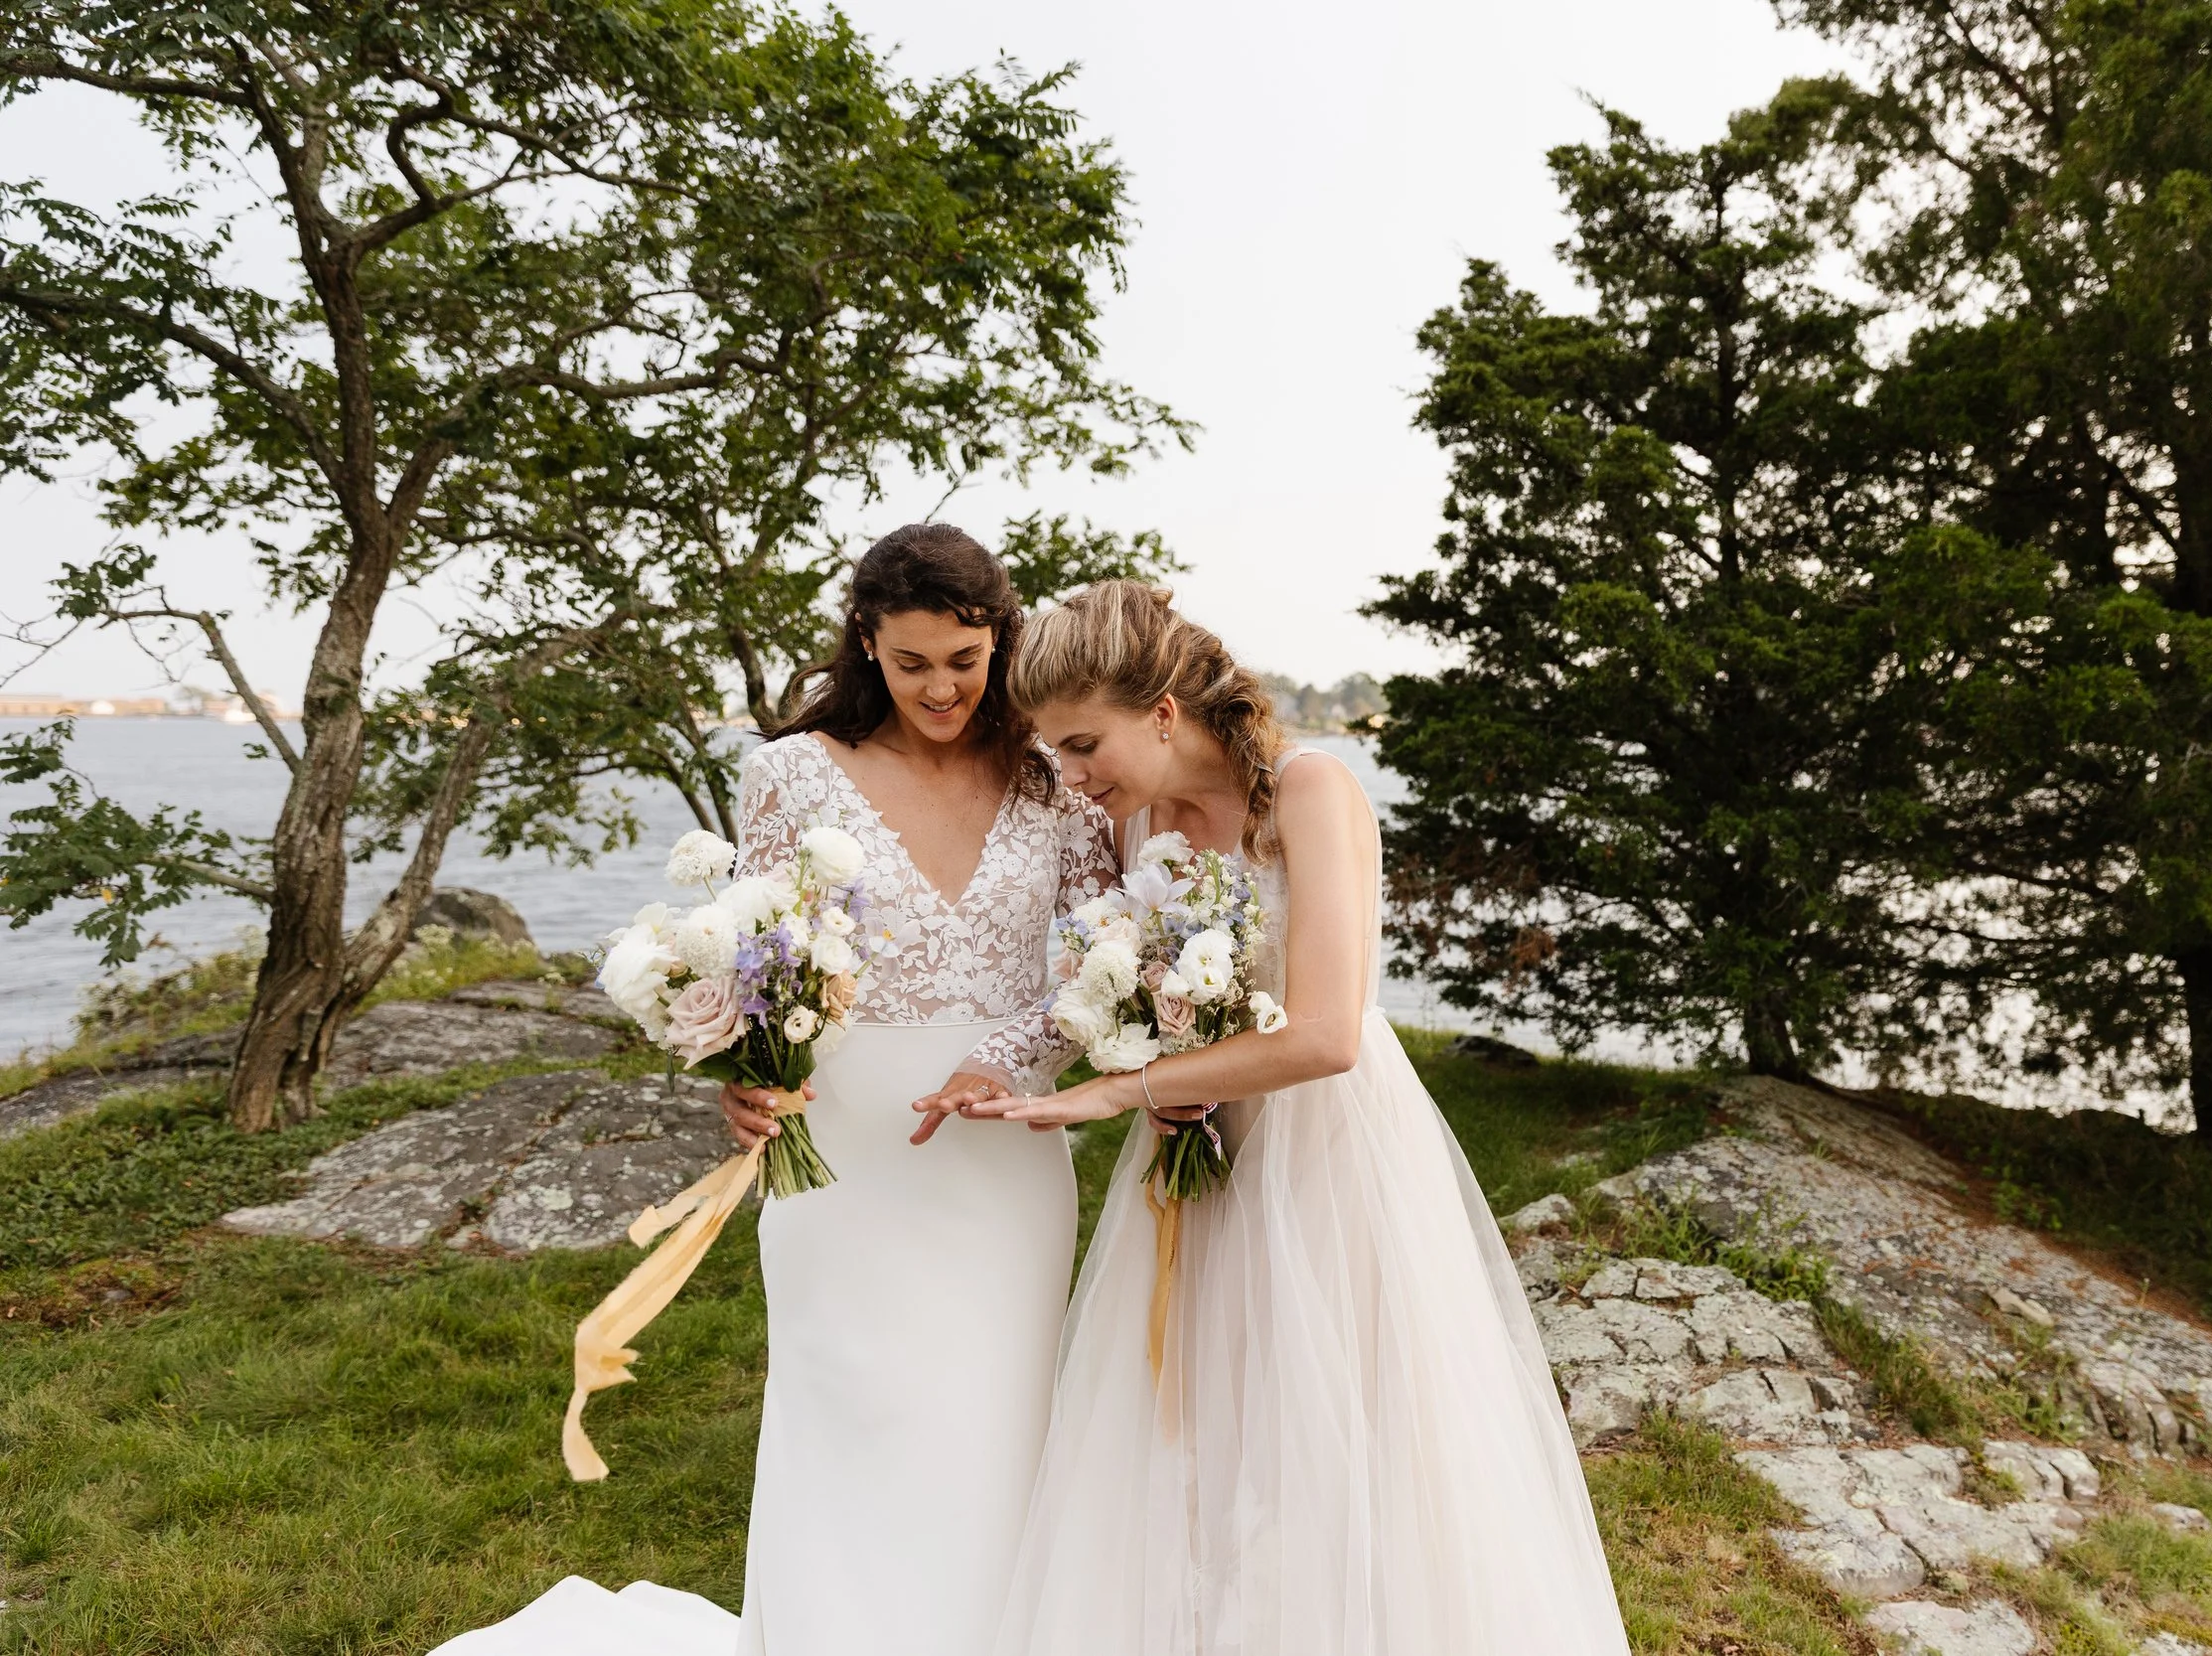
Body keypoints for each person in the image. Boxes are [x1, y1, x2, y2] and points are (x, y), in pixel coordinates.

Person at [430, 526, 1112, 1656]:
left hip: (999, 1149)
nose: (941, 686)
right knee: (849, 1406)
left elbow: (1089, 962)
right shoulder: (790, 770)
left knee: (997, 1414)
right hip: (837, 1152)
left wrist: (1017, 1052)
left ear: (1001, 638)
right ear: (866, 644)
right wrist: (740, 1078)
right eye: (911, 662)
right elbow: (760, 954)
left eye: (964, 658)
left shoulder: (1052, 775)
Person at [927, 581, 1630, 1656]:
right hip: (1196, 1142)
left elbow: (1325, 1035)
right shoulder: (1141, 823)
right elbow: (1114, 985)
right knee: (1196, 1424)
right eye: (1057, 753)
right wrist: (1010, 1062)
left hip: (1327, 1143)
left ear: (1162, 711)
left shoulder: (1313, 791)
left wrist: (1120, 1091)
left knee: (1342, 1419)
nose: (1071, 776)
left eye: (1082, 743)